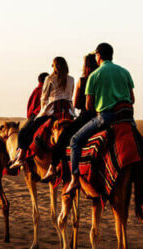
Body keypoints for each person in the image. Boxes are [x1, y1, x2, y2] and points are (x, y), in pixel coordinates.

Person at [65, 42, 135, 195]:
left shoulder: (94, 76)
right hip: (127, 119)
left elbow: (89, 106)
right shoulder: (125, 72)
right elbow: (132, 98)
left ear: (98, 56)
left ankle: (75, 178)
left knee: (75, 141)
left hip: (106, 118)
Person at [41, 52, 99, 182]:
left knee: (67, 138)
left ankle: (54, 167)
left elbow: (79, 104)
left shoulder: (83, 80)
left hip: (84, 115)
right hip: (73, 110)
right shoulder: (72, 79)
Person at [10, 57, 75, 169]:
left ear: (55, 66)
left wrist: (41, 114)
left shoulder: (49, 79)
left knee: (24, 132)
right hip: (68, 112)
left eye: (53, 65)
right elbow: (70, 95)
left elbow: (44, 99)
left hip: (52, 112)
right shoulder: (71, 79)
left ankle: (20, 157)